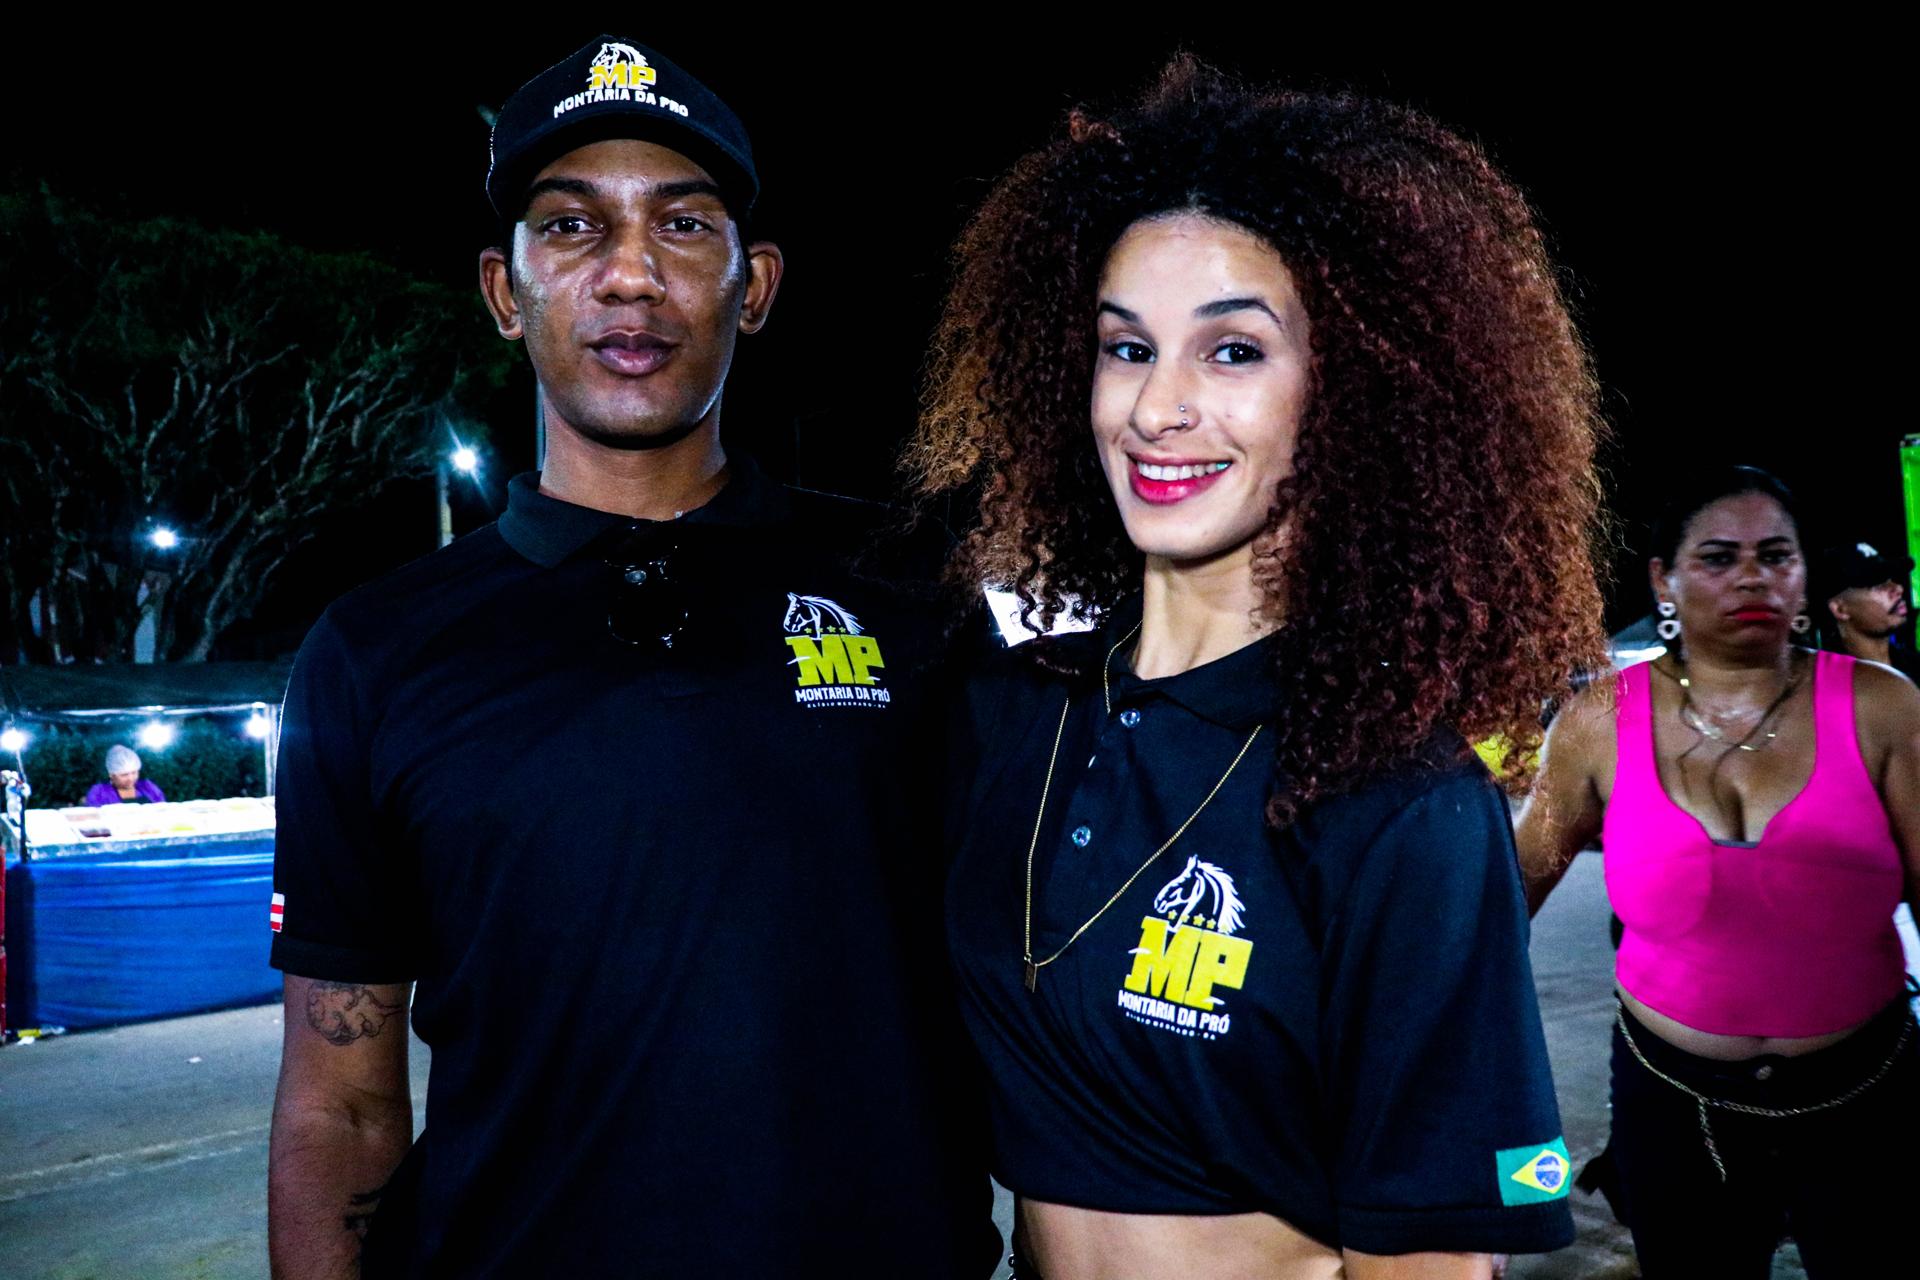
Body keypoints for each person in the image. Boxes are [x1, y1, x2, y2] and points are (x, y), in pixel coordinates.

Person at [266, 36, 995, 1279]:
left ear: (755, 284)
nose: (630, 275)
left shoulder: (920, 591)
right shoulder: (373, 650)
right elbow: (340, 1103)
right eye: (571, 227)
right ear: (504, 290)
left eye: (685, 225)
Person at [913, 60, 1605, 1278]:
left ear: (1347, 394)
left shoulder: (1397, 796)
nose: (1157, 407)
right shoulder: (1016, 713)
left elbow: (1431, 1262)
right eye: (1126, 347)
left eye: (1232, 351)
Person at [1518, 466, 1920, 1277]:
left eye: (1775, 556)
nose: (1751, 577)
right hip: (1675, 1103)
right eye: (1718, 557)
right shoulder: (1599, 720)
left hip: (1864, 1093)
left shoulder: (1884, 708)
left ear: (1803, 576)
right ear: (1663, 578)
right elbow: (1506, 900)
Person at [1816, 538, 1916, 678]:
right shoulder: (1823, 682)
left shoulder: (1915, 667)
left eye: (1890, 579)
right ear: (1839, 609)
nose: (1898, 589)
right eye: (1877, 584)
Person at [82, 744, 164, 806]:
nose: (130, 778)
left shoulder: (148, 788)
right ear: (111, 774)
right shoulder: (99, 792)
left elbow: (162, 811)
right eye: (124, 775)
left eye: (134, 773)